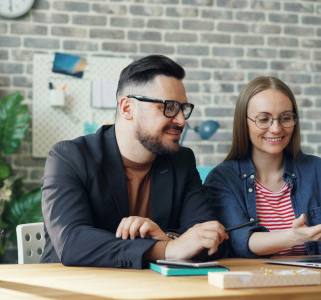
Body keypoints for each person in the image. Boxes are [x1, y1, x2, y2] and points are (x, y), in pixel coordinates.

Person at [41, 54, 228, 268]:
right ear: (128, 108)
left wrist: (167, 238)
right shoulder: (69, 157)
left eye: (183, 108)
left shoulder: (181, 161)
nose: (181, 120)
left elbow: (210, 237)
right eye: (169, 107)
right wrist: (167, 249)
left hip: (152, 289)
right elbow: (72, 242)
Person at [204, 76, 321, 258]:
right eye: (264, 119)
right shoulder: (222, 179)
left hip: (320, 283)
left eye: (285, 118)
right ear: (244, 123)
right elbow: (240, 240)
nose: (276, 129)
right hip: (254, 283)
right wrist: (293, 237)